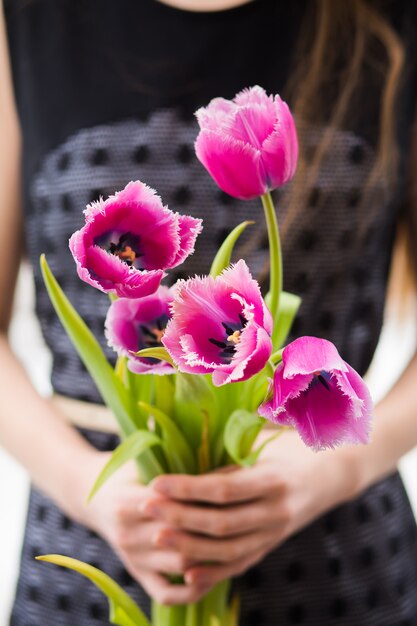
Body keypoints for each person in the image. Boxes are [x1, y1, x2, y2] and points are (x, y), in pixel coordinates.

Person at [2, 0, 417, 624]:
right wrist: (88, 485)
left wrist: (340, 469)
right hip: (87, 558)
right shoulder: (23, 18)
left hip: (341, 564)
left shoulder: (394, 18)